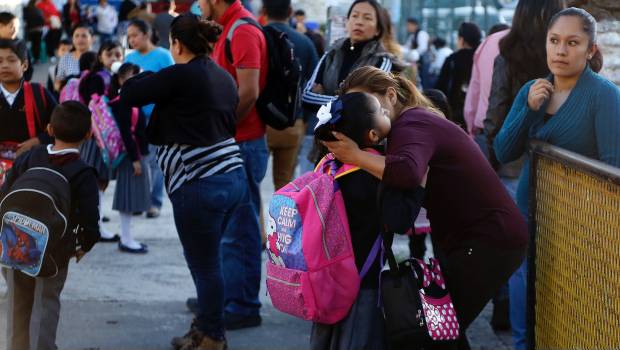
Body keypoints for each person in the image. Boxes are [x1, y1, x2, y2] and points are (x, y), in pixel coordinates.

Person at [323, 66, 528, 350]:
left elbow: (407, 171)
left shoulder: (412, 123)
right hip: (474, 239)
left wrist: (355, 156)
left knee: (437, 331)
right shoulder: (412, 122)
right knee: (443, 329)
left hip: (488, 238)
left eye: (366, 104)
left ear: (391, 96)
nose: (361, 114)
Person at [493, 7, 620, 350]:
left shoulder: (605, 96)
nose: (561, 51)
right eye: (555, 41)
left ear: (591, 49)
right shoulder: (533, 90)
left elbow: (613, 172)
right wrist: (527, 110)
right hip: (528, 215)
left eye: (573, 42)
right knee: (524, 307)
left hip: (579, 227)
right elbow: (503, 151)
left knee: (569, 317)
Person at [121, 13, 247, 350]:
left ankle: (212, 338)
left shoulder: (179, 75)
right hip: (233, 178)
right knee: (212, 261)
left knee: (205, 266)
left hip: (199, 182)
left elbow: (130, 93)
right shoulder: (223, 77)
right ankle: (207, 326)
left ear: (176, 44)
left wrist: (141, 74)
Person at [1, 100, 99, 350]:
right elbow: (90, 217)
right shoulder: (83, 172)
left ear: (49, 129)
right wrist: (85, 245)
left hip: (16, 243)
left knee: (17, 302)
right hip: (56, 249)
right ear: (88, 135)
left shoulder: (32, 155)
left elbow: (6, 191)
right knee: (46, 303)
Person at [311, 92, 401, 350]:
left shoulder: (326, 165)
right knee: (357, 338)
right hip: (363, 277)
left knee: (325, 336)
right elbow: (399, 219)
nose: (388, 112)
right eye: (382, 112)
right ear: (373, 135)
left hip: (325, 274)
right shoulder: (373, 172)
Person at [201, 0, 269, 330]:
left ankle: (243, 305)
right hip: (231, 142)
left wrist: (223, 129)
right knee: (226, 228)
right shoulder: (227, 26)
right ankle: (228, 295)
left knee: (240, 231)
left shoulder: (242, 30)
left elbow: (249, 92)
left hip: (242, 143)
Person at [300, 0, 402, 173]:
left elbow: (371, 104)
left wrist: (326, 98)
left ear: (378, 28)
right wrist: (351, 101)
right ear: (347, 22)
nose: (359, 21)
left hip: (363, 150)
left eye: (367, 17)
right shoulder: (330, 54)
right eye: (354, 16)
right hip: (325, 145)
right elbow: (307, 96)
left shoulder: (383, 61)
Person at [261, 0, 318, 190]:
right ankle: (282, 220)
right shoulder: (305, 42)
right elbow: (315, 85)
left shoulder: (258, 37)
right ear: (291, 12)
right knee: (286, 184)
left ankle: (258, 221)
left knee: (251, 185)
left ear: (263, 10)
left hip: (260, 123)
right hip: (294, 121)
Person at [125, 19, 174, 219]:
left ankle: (154, 203)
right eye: (129, 36)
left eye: (135, 35)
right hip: (134, 119)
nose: (132, 40)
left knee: (155, 162)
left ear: (146, 34)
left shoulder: (163, 55)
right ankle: (139, 201)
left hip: (156, 117)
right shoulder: (130, 58)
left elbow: (173, 83)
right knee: (138, 160)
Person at [0, 39, 56, 172]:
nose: (5, 66)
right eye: (0, 61)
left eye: (11, 60)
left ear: (24, 65)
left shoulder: (39, 93)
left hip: (32, 168)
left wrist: (39, 140)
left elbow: (61, 127)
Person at [435, 22, 482, 130]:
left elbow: (440, 87)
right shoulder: (482, 58)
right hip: (478, 115)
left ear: (461, 39)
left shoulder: (452, 60)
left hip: (454, 115)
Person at [55, 24, 94, 92]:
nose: (80, 39)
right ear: (72, 39)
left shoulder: (98, 58)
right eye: (76, 36)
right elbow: (58, 83)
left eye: (84, 36)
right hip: (71, 100)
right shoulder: (65, 58)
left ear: (92, 39)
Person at [0, 12, 34, 82]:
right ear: (1, 26)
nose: (15, 30)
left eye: (17, 27)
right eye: (11, 27)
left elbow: (28, 69)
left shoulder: (20, 44)